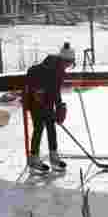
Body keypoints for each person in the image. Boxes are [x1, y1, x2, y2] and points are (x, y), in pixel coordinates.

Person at [24, 42, 75, 173]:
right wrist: (42, 100)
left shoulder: (58, 70)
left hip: (47, 103)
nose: (68, 67)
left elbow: (55, 91)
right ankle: (33, 158)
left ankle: (53, 156)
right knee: (39, 127)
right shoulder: (47, 69)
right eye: (68, 64)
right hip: (35, 102)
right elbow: (37, 88)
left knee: (51, 127)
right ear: (64, 60)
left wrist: (59, 107)